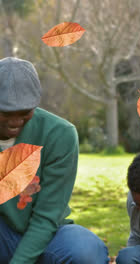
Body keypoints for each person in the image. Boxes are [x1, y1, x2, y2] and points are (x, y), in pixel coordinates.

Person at [0, 57, 109, 263]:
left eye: (25, 112)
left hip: (48, 234)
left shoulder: (60, 134)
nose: (15, 121)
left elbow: (47, 215)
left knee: (86, 252)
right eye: (5, 113)